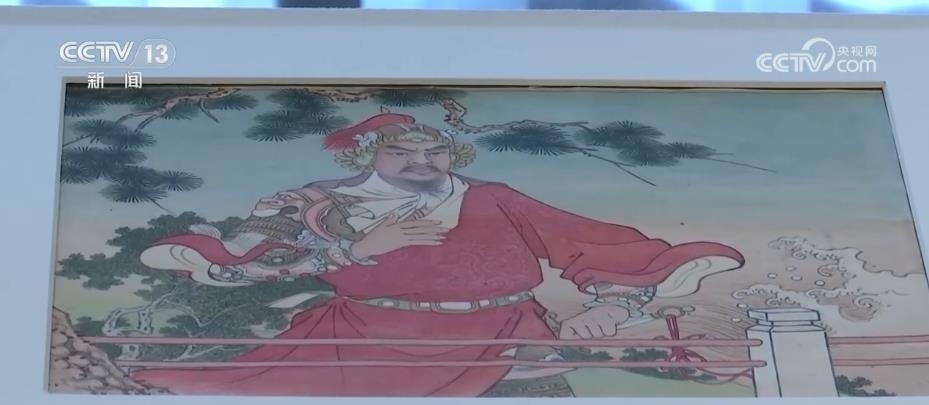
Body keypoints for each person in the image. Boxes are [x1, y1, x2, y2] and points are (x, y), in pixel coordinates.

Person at [132, 113, 745, 397]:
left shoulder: (493, 196)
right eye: (401, 153)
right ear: (364, 155)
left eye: (435, 152)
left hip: (508, 340)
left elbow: (582, 240)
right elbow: (244, 267)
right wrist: (355, 248)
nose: (422, 162)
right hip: (364, 341)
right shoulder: (307, 202)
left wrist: (614, 301)